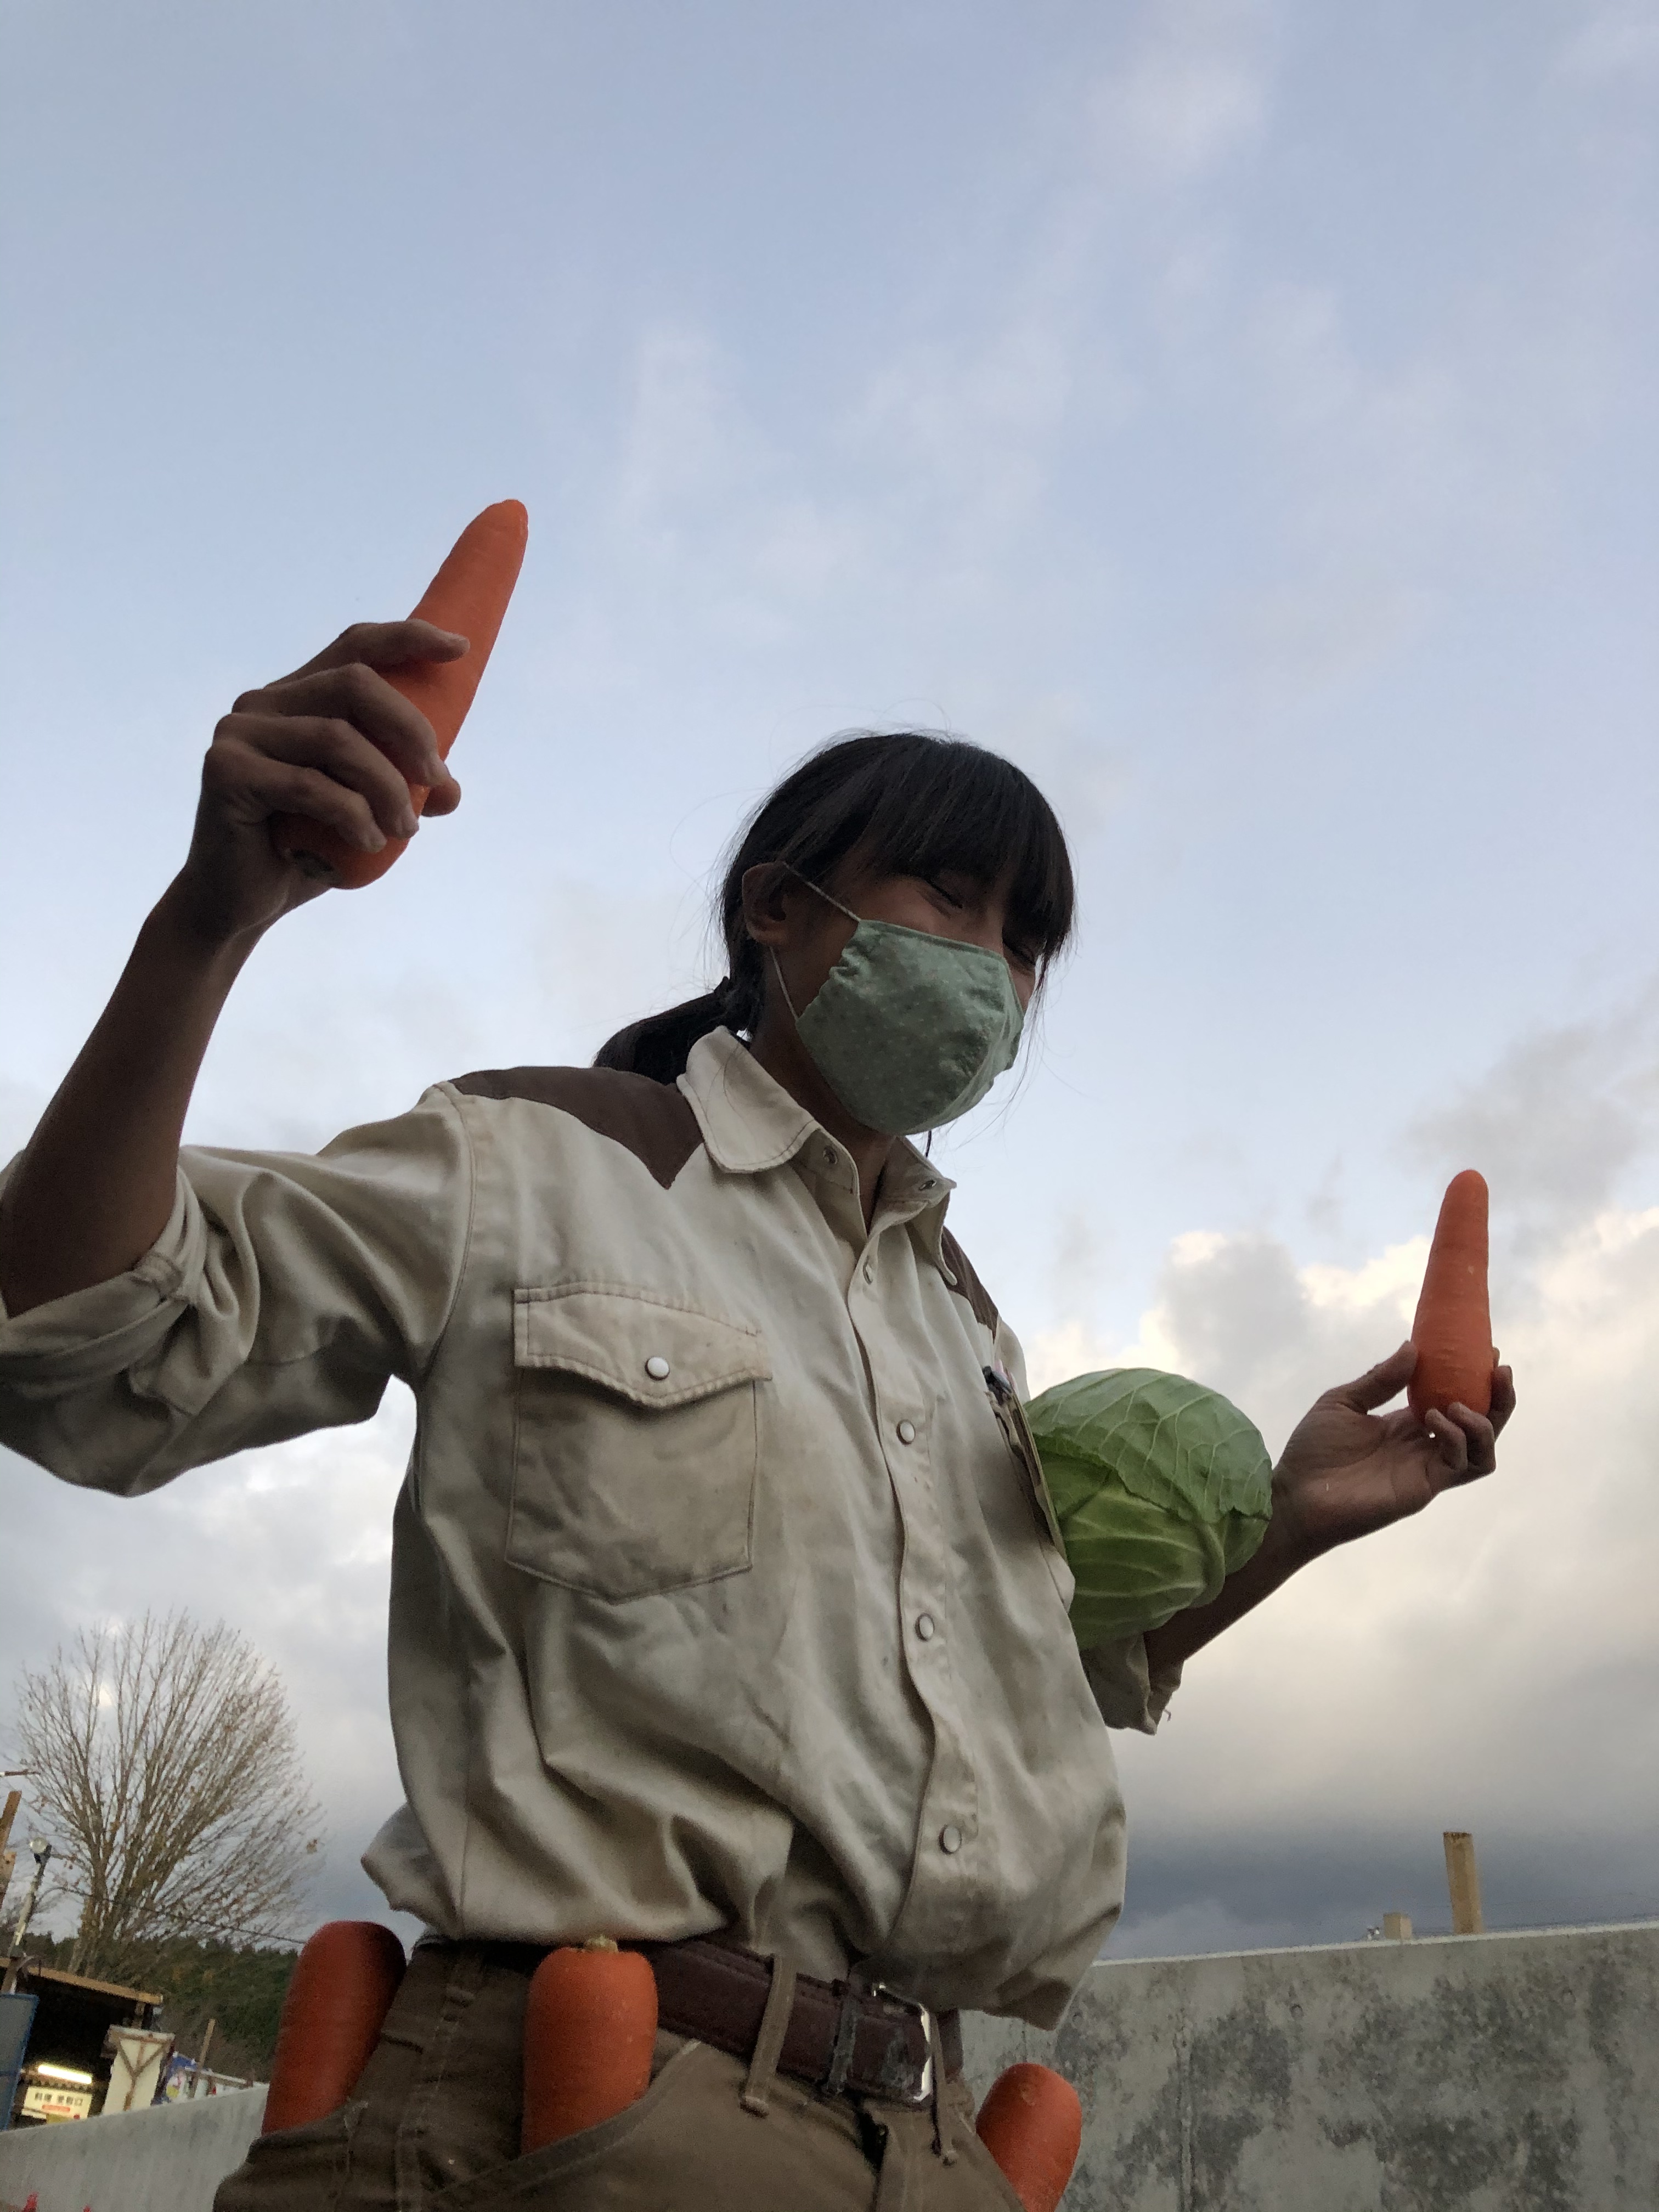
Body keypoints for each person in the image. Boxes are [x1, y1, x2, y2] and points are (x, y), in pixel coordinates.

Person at [0, 613, 1514, 2210]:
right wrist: (207, 923)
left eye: (1025, 942)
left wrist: (1292, 1525)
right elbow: (82, 1340)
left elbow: (1018, 1688)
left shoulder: (967, 1328)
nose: (991, 966)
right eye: (951, 894)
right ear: (778, 908)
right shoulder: (541, 1159)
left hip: (932, 2142)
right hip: (581, 2109)